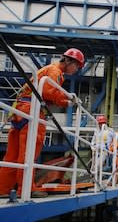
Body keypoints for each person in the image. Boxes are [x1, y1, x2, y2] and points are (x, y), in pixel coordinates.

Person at [0, 48, 84, 197]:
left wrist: (66, 101)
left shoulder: (48, 70)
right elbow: (48, 93)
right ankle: (26, 189)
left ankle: (3, 189)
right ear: (69, 61)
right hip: (31, 111)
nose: (76, 70)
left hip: (21, 110)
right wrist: (69, 99)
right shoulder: (55, 72)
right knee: (28, 153)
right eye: (77, 66)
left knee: (12, 155)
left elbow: (47, 93)